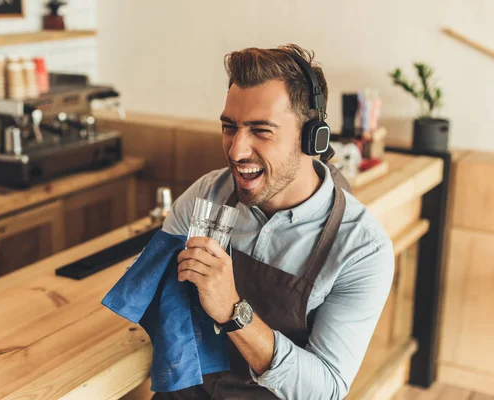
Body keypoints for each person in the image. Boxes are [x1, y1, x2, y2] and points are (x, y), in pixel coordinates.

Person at [154, 44, 394, 400]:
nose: (236, 150)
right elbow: (154, 290)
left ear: (313, 138)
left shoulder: (362, 250)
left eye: (261, 131)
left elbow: (324, 390)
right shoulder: (208, 192)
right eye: (229, 127)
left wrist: (234, 312)